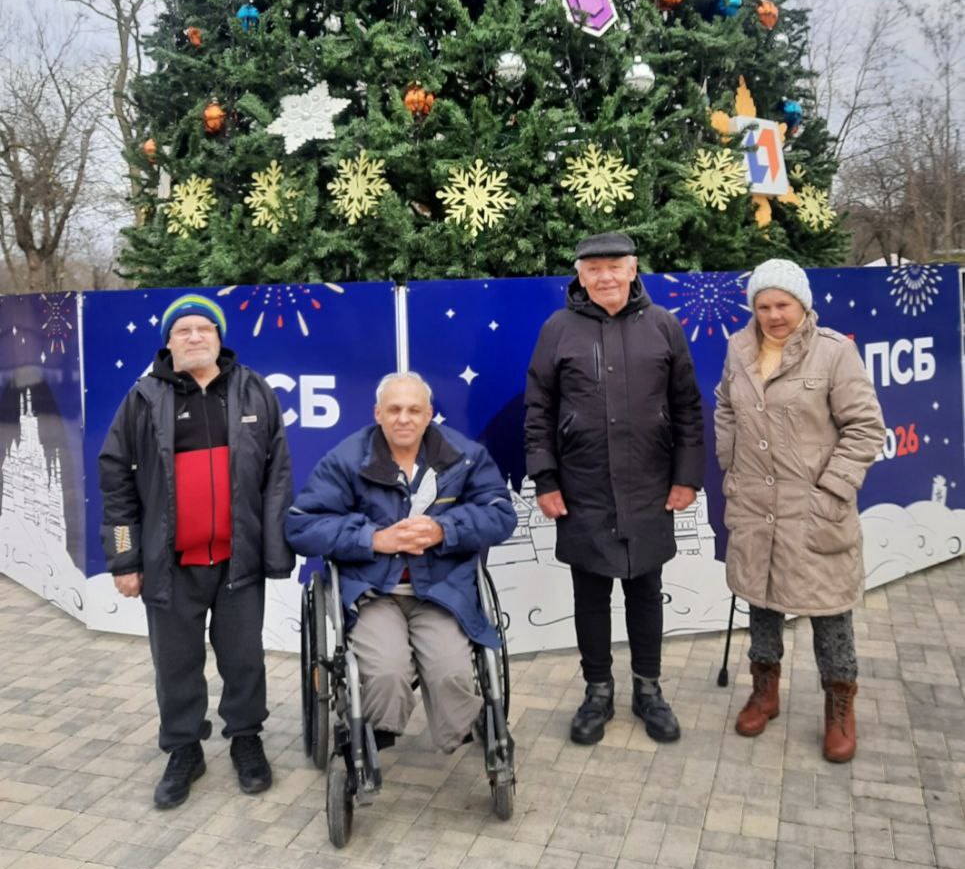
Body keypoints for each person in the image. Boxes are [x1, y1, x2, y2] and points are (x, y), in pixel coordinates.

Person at [99, 293, 294, 809]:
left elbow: (277, 474)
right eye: (182, 330)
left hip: (237, 563)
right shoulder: (143, 399)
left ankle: (246, 739)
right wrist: (124, 558)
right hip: (171, 565)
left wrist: (274, 548)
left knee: (244, 659)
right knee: (176, 665)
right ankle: (184, 749)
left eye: (204, 328)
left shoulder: (254, 391)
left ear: (218, 336)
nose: (194, 337)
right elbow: (116, 482)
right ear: (168, 342)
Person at [524, 232, 705, 745]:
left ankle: (648, 690)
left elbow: (688, 406)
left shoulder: (664, 326)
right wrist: (546, 479)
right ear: (580, 276)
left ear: (633, 269)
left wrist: (686, 476)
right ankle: (597, 692)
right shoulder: (557, 329)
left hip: (649, 485)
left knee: (646, 590)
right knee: (591, 594)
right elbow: (538, 410)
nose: (604, 276)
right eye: (593, 268)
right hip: (583, 488)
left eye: (614, 266)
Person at [285, 371, 517, 754]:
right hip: (372, 591)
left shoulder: (464, 457)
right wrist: (373, 539)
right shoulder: (346, 459)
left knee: (451, 672)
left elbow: (501, 515)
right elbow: (301, 525)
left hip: (442, 590)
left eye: (413, 410)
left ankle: (462, 727)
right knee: (386, 671)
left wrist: (444, 530)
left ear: (428, 414)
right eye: (394, 410)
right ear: (378, 413)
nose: (403, 418)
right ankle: (376, 731)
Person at [714, 258, 885, 762]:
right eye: (763, 305)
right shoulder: (738, 348)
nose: (773, 315)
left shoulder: (834, 352)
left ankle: (839, 705)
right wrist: (731, 463)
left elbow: (865, 427)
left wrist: (832, 490)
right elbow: (726, 406)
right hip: (755, 507)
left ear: (802, 305)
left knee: (829, 611)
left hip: (813, 510)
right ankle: (764, 691)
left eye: (782, 305)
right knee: (761, 602)